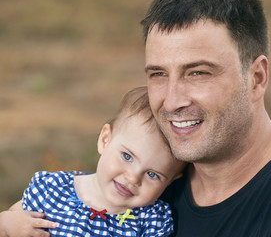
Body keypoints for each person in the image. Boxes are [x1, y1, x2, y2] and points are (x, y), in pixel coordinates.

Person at [1, 0, 271, 236]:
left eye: (198, 72)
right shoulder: (147, 179)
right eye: (158, 73)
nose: (172, 101)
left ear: (256, 78)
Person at [0, 86, 185, 236]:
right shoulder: (52, 189)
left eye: (152, 174)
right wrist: (6, 223)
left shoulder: (150, 221)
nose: (133, 178)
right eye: (127, 156)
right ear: (105, 140)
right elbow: (11, 223)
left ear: (171, 180)